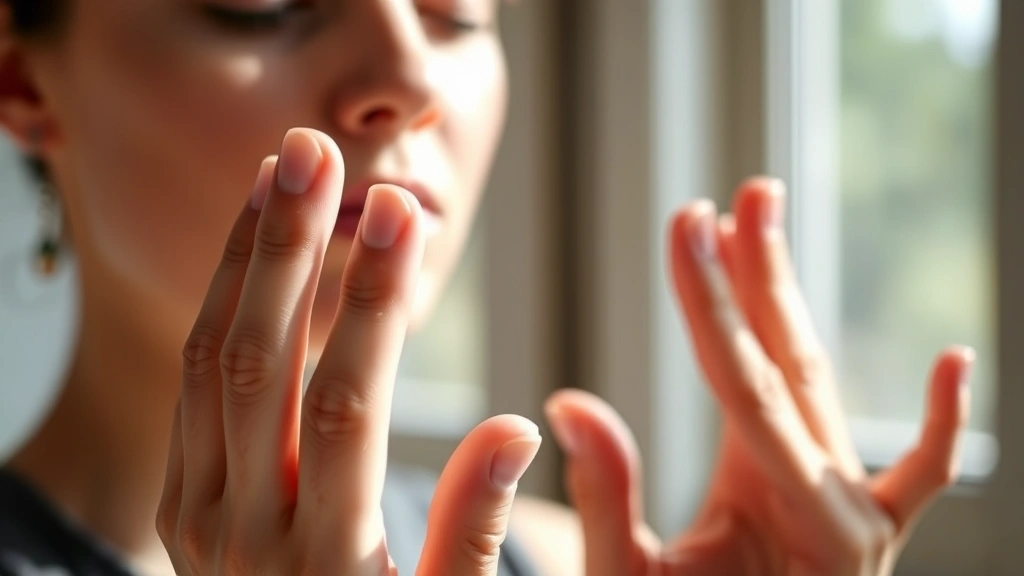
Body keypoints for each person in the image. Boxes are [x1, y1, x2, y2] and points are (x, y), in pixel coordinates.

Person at [0, 0, 975, 574]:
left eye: (457, 10)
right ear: (20, 80)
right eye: (267, 0)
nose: (409, 77)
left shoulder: (541, 554)